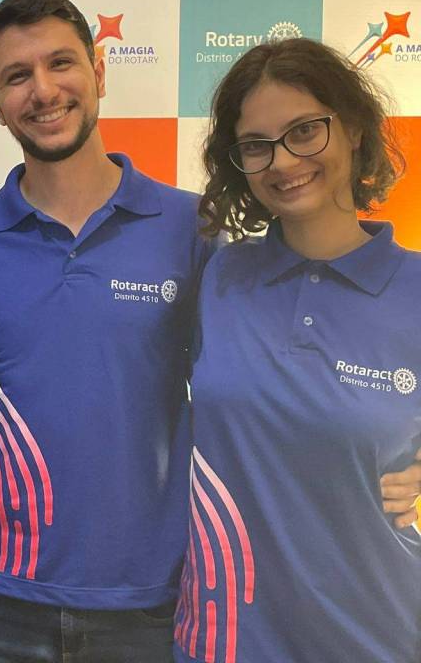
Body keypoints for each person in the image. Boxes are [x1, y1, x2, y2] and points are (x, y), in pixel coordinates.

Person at [0, 0, 212, 662]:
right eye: (17, 76)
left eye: (61, 63)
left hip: (148, 600)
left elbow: (256, 385)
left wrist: (380, 457)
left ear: (100, 71)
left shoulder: (191, 227)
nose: (44, 90)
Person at [173, 37, 421, 662]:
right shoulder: (218, 277)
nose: (283, 161)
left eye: (305, 131)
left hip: (377, 637)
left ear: (354, 129)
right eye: (257, 145)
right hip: (224, 640)